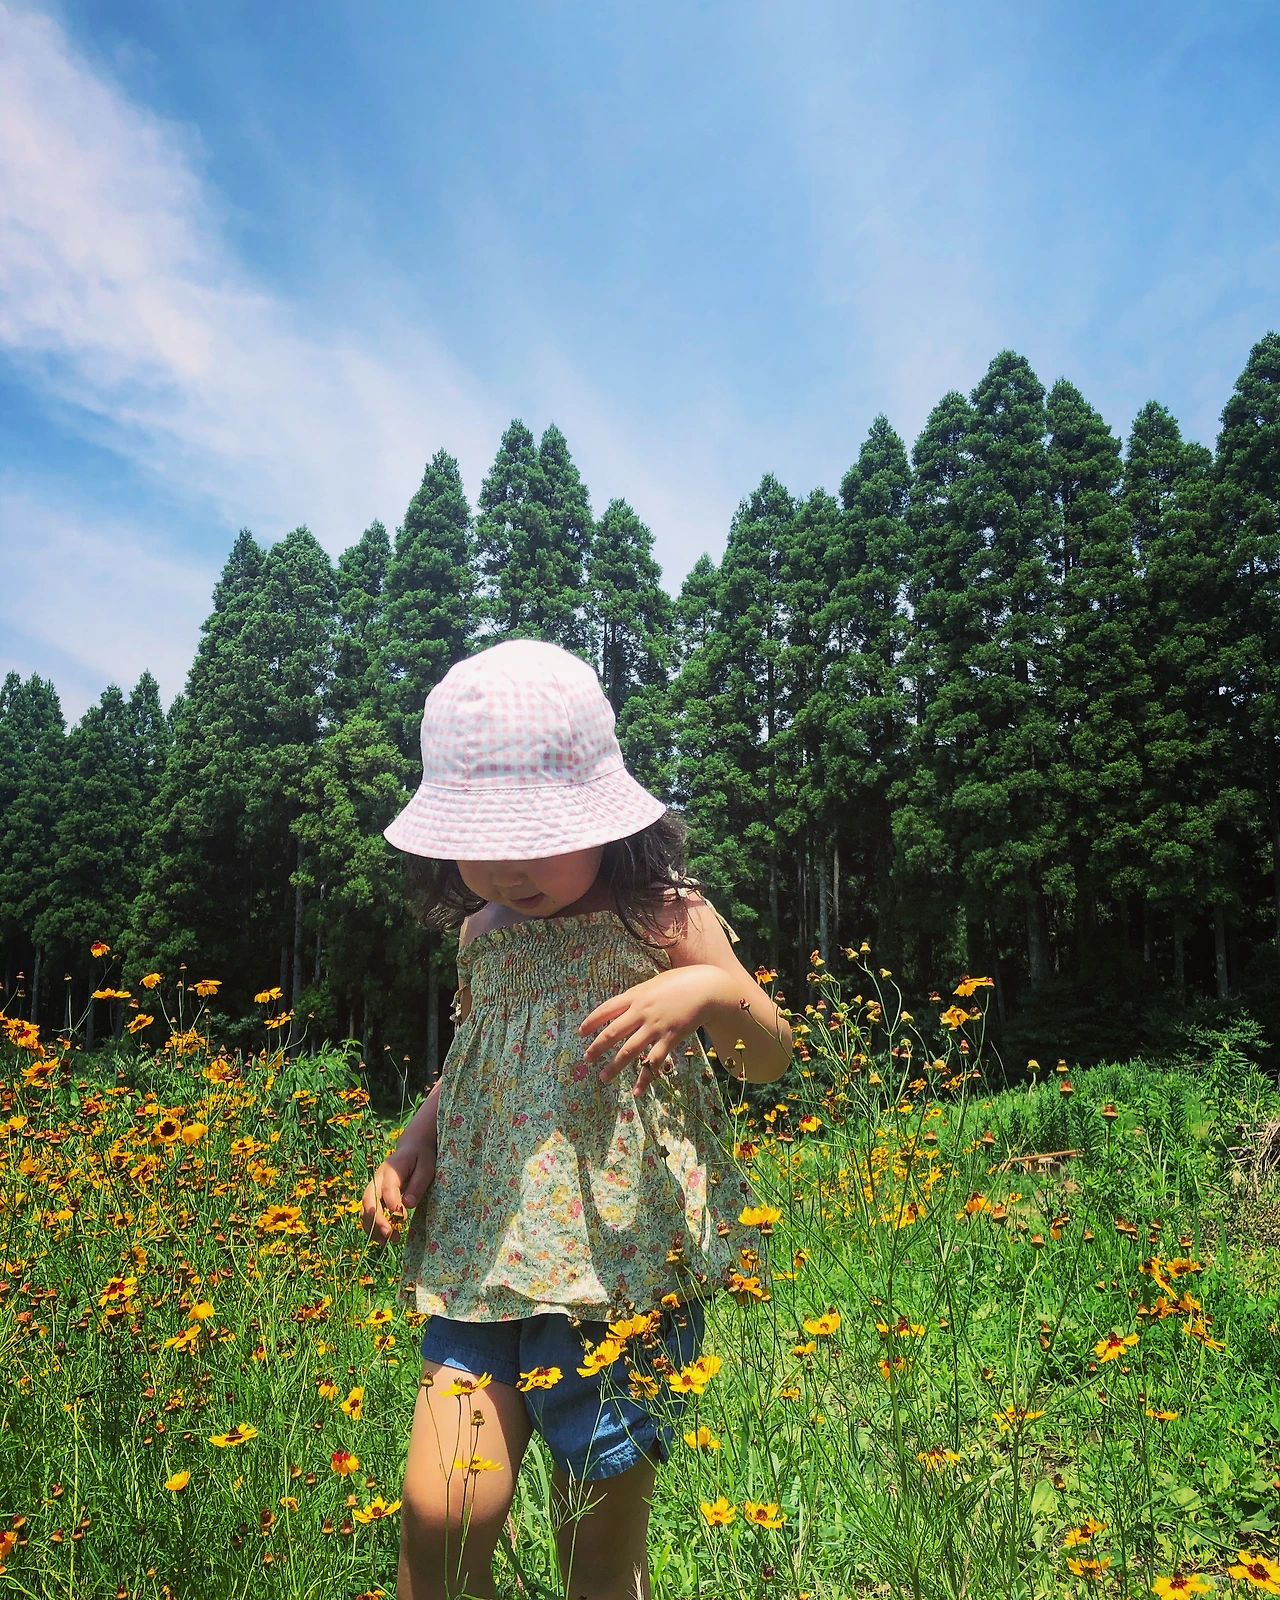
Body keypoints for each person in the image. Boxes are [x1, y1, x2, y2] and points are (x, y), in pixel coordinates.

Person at [360, 638, 791, 1600]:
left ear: (604, 816)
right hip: (482, 1255)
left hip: (619, 1269)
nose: (505, 870)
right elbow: (476, 1060)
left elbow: (769, 1056)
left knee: (596, 1543)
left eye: (534, 836)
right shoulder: (481, 933)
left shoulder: (663, 916)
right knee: (440, 1512)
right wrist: (416, 1139)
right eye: (480, 841)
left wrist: (705, 991)